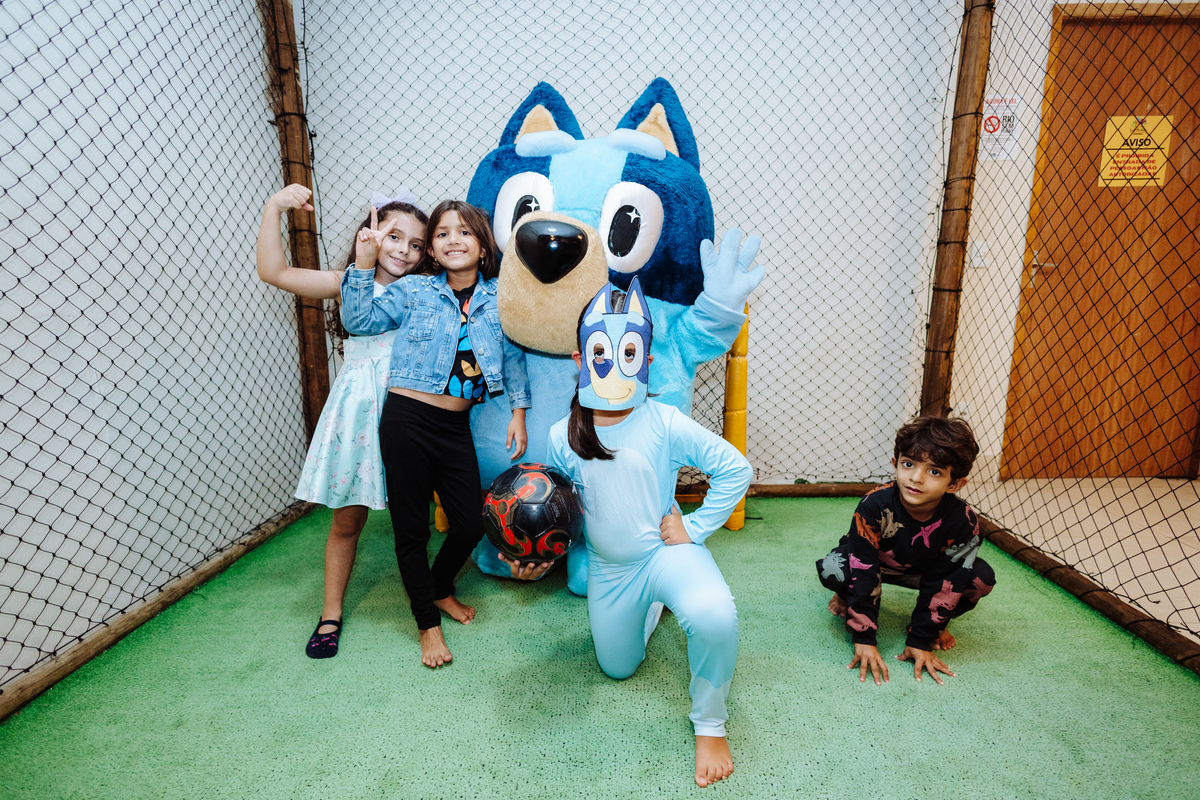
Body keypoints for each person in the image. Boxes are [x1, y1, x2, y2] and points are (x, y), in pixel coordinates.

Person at [503, 278, 752, 788]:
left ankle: (710, 722)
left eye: (629, 351)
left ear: (648, 361)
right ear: (580, 360)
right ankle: (652, 606)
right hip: (610, 571)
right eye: (599, 352)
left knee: (714, 616)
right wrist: (537, 557)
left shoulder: (664, 419)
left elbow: (735, 469)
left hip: (663, 553)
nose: (613, 363)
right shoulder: (560, 436)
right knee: (617, 669)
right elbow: (561, 511)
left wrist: (696, 526)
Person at [341, 200, 530, 668]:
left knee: (468, 523)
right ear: (434, 249)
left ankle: (440, 586)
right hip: (406, 420)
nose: (452, 240)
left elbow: (512, 359)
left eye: (464, 232)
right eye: (442, 233)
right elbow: (359, 321)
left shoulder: (497, 300)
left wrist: (519, 412)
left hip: (453, 426)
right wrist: (364, 265)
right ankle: (427, 623)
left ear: (483, 246)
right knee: (411, 529)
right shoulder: (415, 291)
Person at [255, 183, 427, 659]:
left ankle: (435, 596)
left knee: (421, 515)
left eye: (416, 244)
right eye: (394, 237)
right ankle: (330, 613)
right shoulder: (346, 280)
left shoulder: (424, 291)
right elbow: (273, 271)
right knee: (347, 522)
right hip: (357, 413)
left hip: (411, 409)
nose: (404, 251)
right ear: (368, 233)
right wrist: (275, 208)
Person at [817, 415, 996, 685]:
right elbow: (862, 566)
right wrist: (863, 635)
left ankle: (932, 624)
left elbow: (949, 579)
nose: (916, 478)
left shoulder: (964, 520)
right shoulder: (873, 504)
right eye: (908, 464)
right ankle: (843, 596)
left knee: (980, 579)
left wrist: (922, 637)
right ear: (895, 464)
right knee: (835, 567)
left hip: (926, 570)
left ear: (955, 483)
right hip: (872, 563)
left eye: (934, 471)